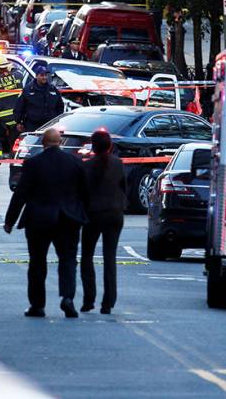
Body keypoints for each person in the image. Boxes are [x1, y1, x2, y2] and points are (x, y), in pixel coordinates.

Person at [4, 128, 88, 319]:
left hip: (38, 219)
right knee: (68, 260)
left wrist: (10, 220)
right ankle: (68, 298)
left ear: (43, 143)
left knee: (37, 262)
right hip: (68, 219)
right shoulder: (74, 161)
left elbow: (21, 194)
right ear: (60, 142)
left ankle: (37, 304)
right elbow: (85, 192)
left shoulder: (33, 163)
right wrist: (84, 215)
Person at [80, 130, 127, 315]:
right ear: (110, 146)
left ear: (93, 146)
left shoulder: (87, 166)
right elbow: (124, 187)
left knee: (87, 256)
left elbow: (82, 192)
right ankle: (108, 302)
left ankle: (88, 299)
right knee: (110, 257)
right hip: (114, 214)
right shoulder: (118, 164)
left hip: (93, 214)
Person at [0, 55, 23, 173]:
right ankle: (14, 163)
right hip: (15, 116)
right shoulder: (18, 76)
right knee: (14, 140)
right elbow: (18, 72)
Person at [14, 65, 65, 133]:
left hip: (50, 125)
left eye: (45, 75)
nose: (44, 77)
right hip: (32, 126)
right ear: (36, 76)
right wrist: (19, 122)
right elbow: (19, 107)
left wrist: (57, 120)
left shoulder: (52, 89)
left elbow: (60, 106)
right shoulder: (28, 90)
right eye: (42, 75)